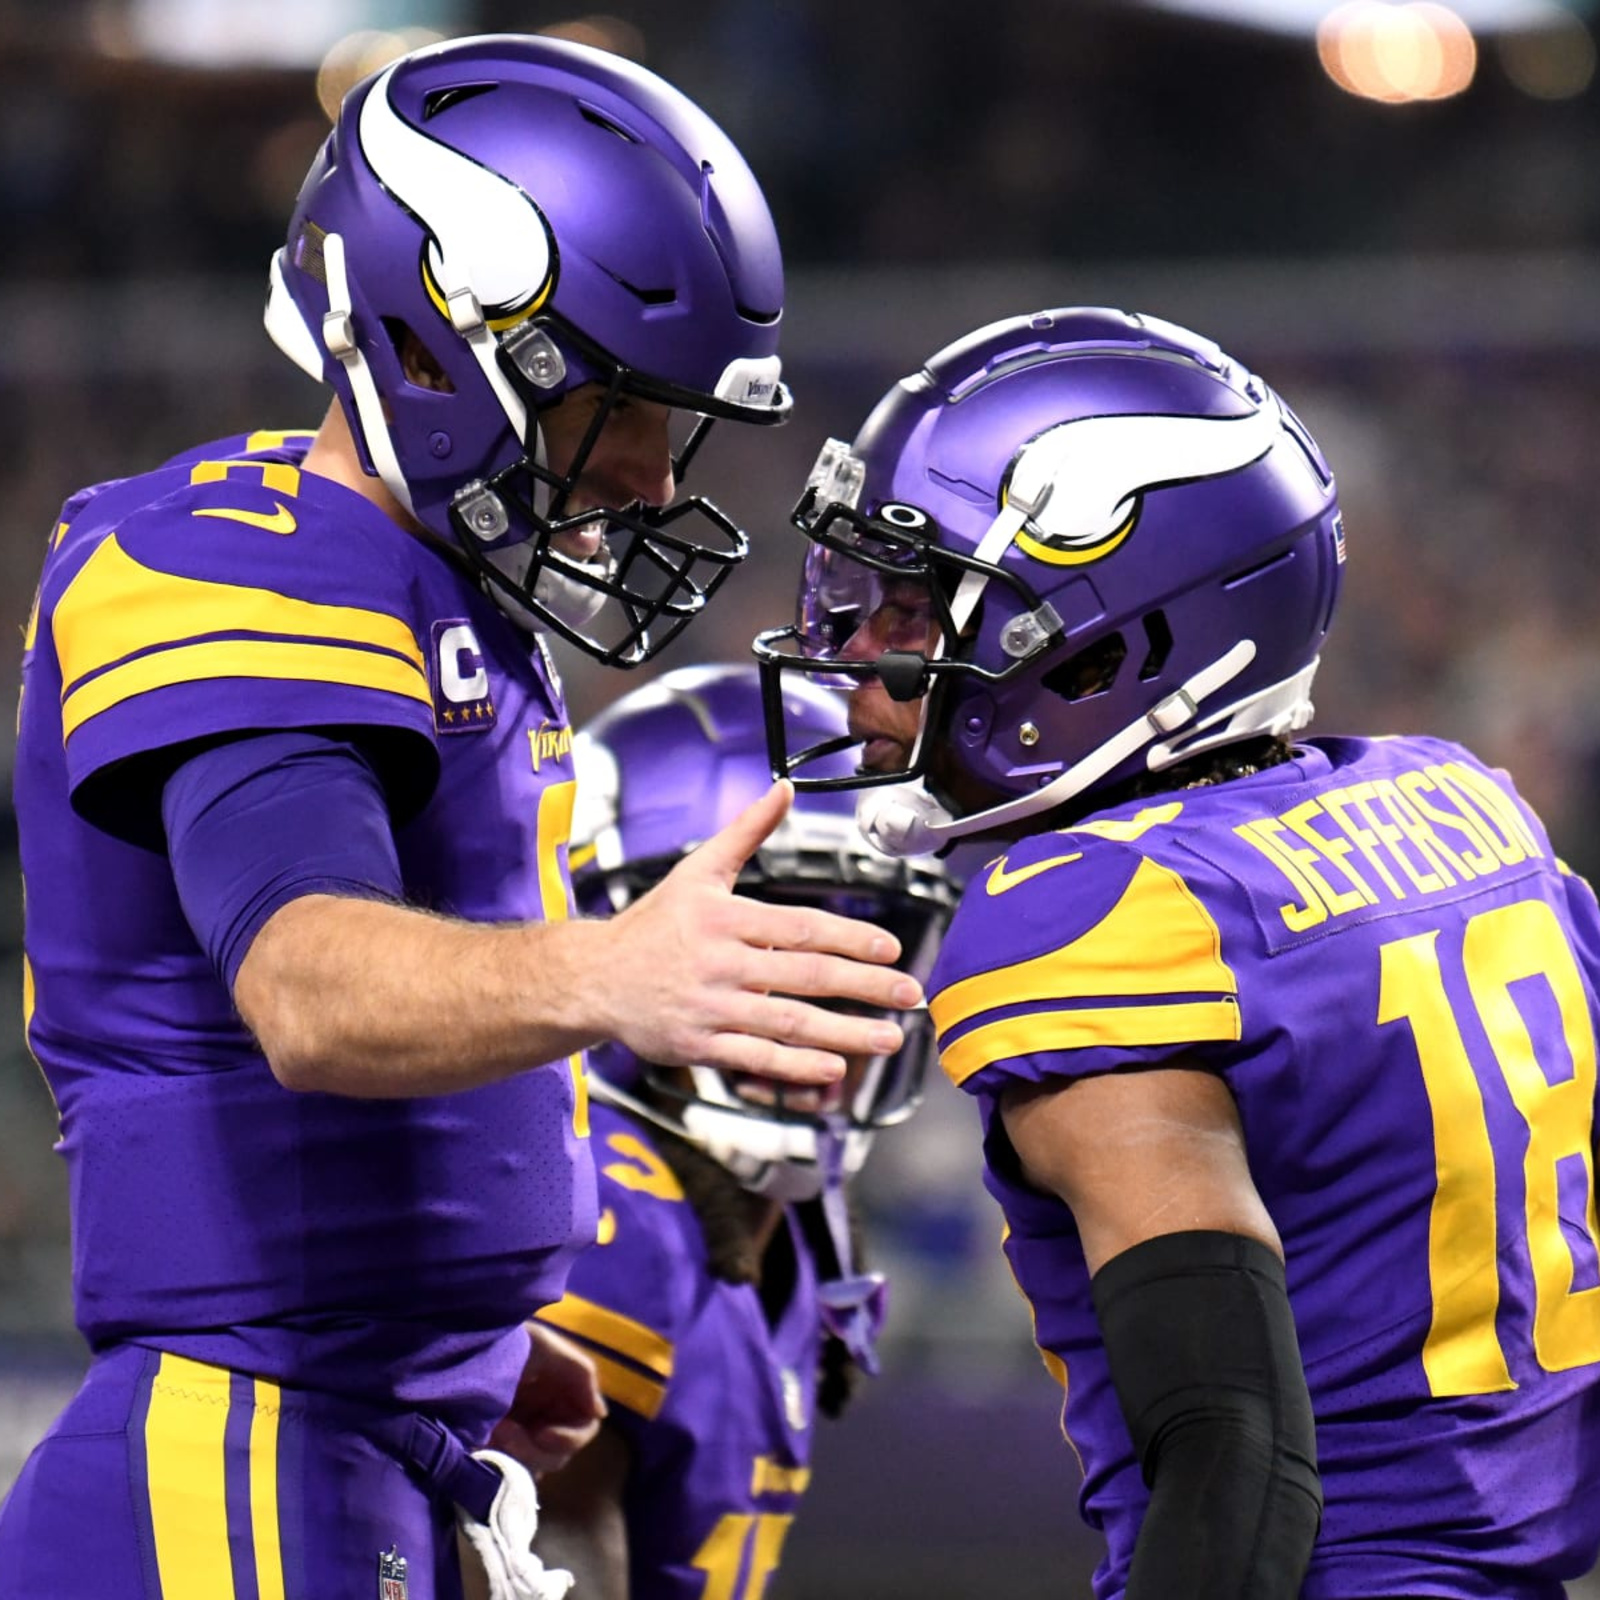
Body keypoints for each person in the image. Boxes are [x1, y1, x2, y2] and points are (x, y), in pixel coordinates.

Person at [1, 36, 921, 1600]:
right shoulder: (235, 560)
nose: (644, 474)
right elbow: (307, 988)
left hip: (375, 1442)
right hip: (234, 1460)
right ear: (433, 349)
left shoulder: (453, 611)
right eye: (608, 409)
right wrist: (613, 973)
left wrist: (462, 1349)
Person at [754, 306, 1600, 1600]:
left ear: (1114, 641)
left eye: (916, 612)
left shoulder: (1086, 913)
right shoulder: (1467, 809)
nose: (856, 657)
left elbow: (1235, 1455)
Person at [505, 664, 953, 1600]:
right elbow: (526, 1571)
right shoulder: (598, 1218)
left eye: (861, 950)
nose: (808, 1010)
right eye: (756, 951)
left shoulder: (798, 1237)